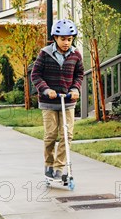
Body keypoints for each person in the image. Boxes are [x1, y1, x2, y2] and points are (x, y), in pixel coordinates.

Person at [31, 19, 84, 180]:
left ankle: (59, 167)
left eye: (69, 39)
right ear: (55, 37)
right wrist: (46, 89)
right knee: (51, 135)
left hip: (68, 102)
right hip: (49, 102)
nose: (66, 42)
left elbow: (79, 75)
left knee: (67, 135)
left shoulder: (76, 55)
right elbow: (35, 75)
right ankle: (48, 163)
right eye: (63, 39)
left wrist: (75, 89)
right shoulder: (45, 53)